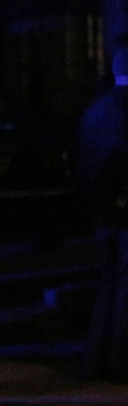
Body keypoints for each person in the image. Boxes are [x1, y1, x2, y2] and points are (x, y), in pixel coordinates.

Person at [77, 47, 128, 383]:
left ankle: (95, 362)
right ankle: (121, 361)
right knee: (125, 289)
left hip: (104, 214)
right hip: (126, 213)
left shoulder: (96, 110)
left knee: (108, 285)